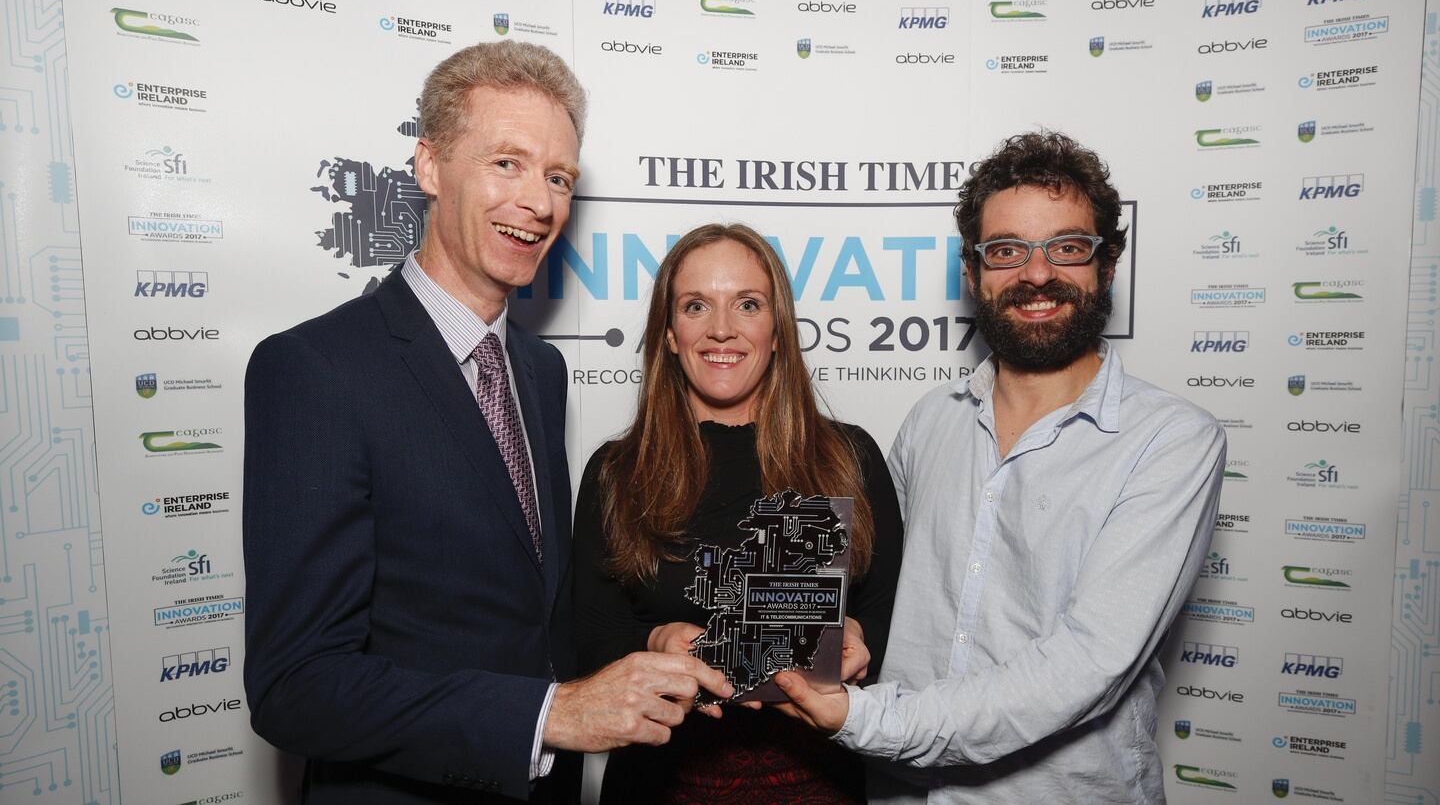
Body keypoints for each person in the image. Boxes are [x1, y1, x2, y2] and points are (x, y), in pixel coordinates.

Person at [243, 40, 730, 805]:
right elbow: (296, 685)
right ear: (430, 166)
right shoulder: (316, 369)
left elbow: (532, 612)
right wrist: (547, 715)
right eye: (508, 162)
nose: (539, 202)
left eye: (559, 176)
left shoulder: (540, 371)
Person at [774, 131, 1226, 803]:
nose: (1037, 275)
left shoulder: (1171, 441)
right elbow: (877, 583)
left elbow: (1085, 665)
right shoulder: (932, 421)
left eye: (1067, 248)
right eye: (1007, 251)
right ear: (973, 270)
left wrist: (865, 718)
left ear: (1107, 264)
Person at [573, 223, 904, 803]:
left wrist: (856, 636)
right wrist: (655, 640)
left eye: (747, 304)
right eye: (696, 305)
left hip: (817, 784)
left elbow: (890, 614)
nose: (721, 329)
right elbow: (586, 645)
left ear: (777, 331)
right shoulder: (616, 472)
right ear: (670, 334)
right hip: (660, 786)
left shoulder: (847, 457)